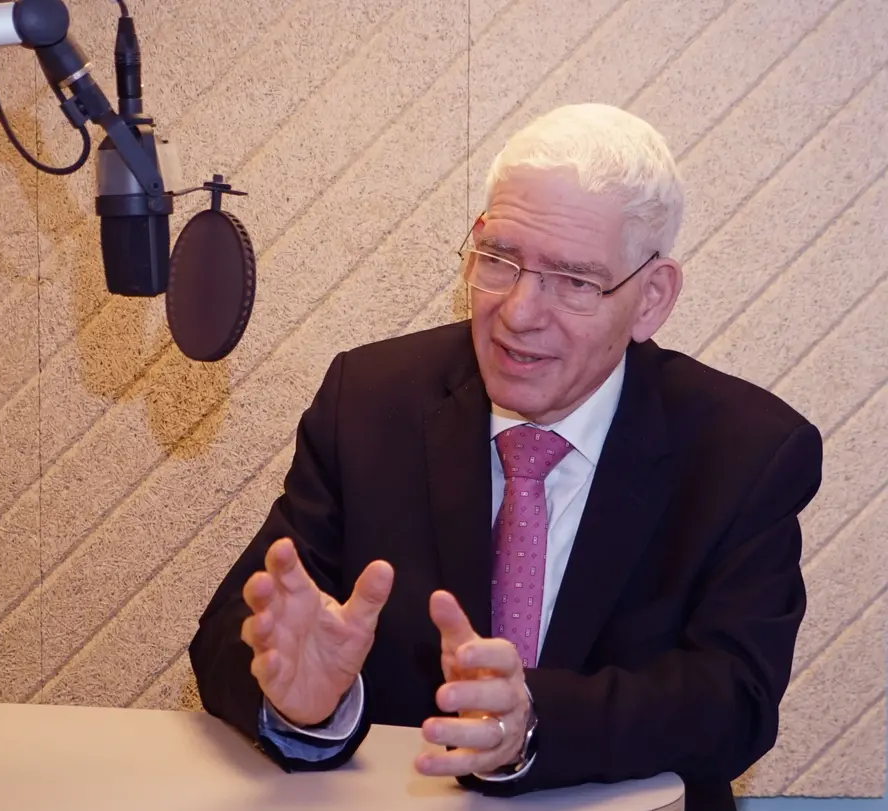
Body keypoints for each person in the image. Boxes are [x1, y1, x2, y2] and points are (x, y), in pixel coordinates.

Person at [187, 103, 823, 811]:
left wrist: (534, 724)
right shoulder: (369, 402)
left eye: (575, 281)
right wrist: (309, 710)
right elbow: (231, 635)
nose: (519, 311)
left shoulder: (745, 450)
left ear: (651, 298)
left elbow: (733, 701)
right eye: (500, 260)